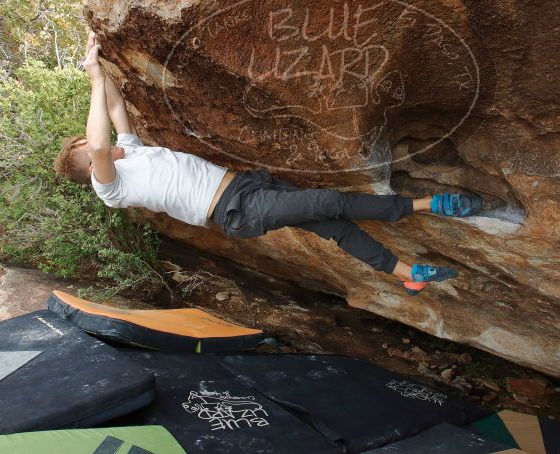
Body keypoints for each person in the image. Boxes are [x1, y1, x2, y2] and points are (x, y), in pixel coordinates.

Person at [54, 33, 483, 296]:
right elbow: (97, 143)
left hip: (247, 187)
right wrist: (93, 84)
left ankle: (410, 275)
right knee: (329, 202)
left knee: (335, 227)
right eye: (95, 150)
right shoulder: (109, 187)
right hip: (236, 212)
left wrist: (96, 61)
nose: (107, 146)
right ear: (92, 168)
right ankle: (428, 204)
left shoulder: (131, 150)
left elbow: (113, 107)